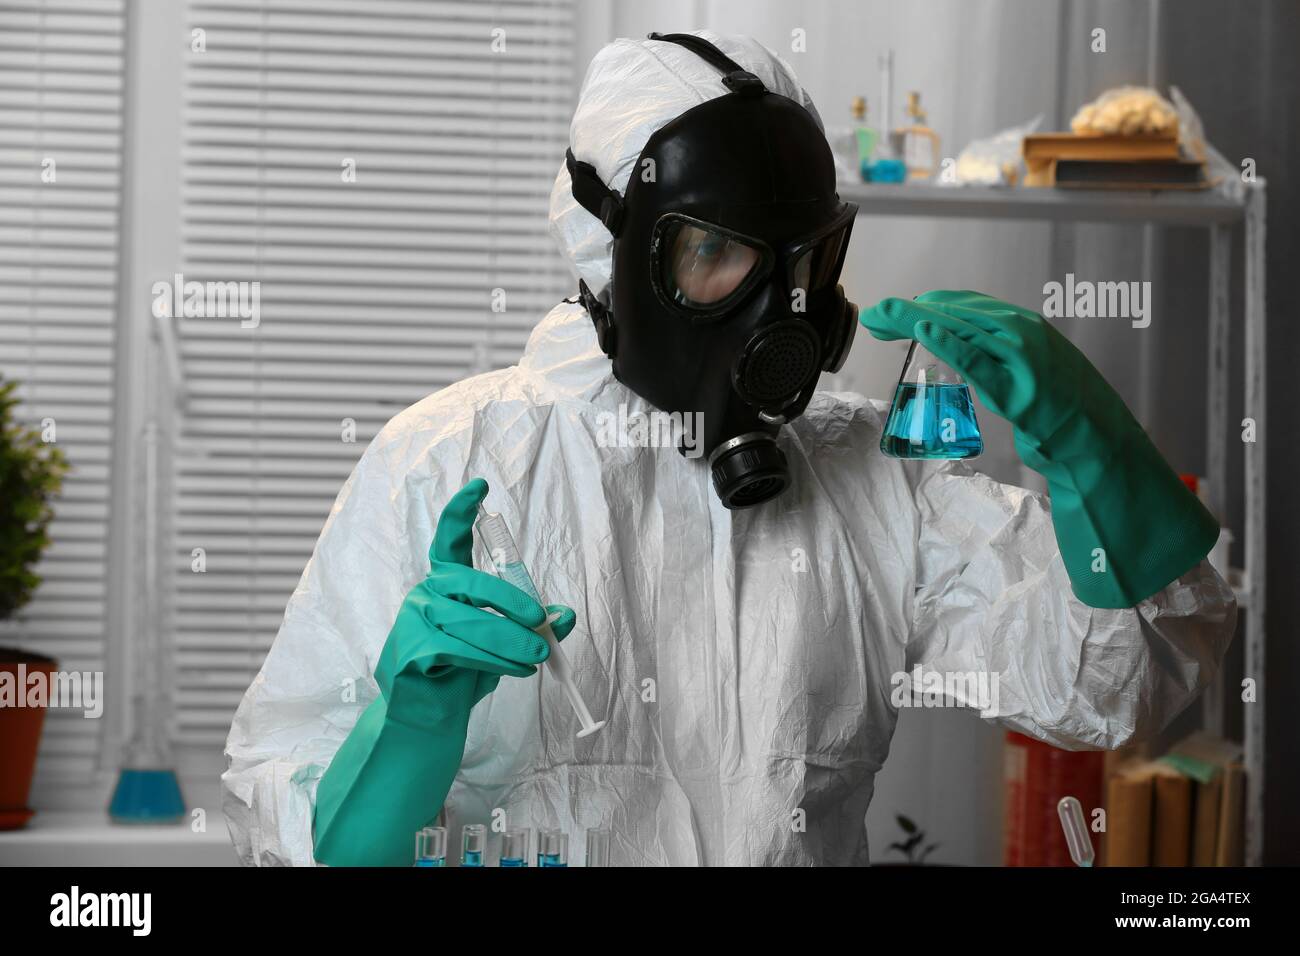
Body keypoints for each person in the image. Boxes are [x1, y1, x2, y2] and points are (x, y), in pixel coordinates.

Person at [222, 31, 1236, 867]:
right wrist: (409, 729)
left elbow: (1124, 683)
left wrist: (1090, 442)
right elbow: (303, 838)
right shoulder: (450, 461)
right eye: (714, 252)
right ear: (608, 253)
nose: (778, 308)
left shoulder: (869, 475)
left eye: (804, 258)